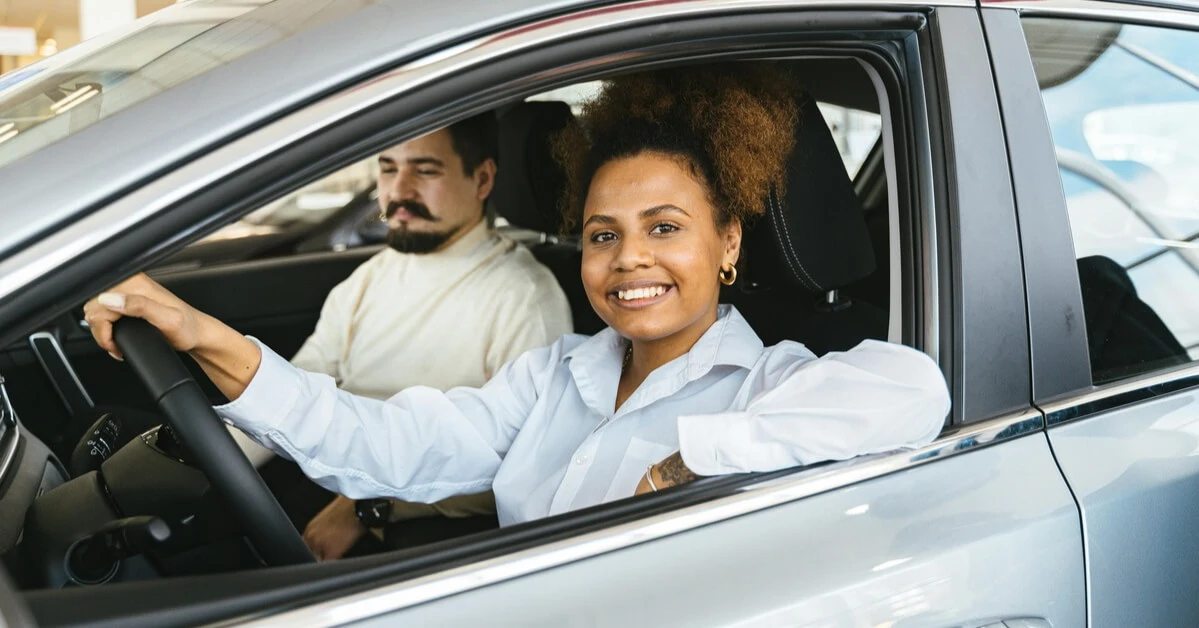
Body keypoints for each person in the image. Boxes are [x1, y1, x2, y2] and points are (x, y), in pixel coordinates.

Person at [83, 65, 950, 548]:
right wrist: (204, 337)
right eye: (604, 235)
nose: (629, 259)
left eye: (665, 228)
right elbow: (385, 445)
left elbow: (915, 392)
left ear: (727, 244)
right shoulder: (555, 376)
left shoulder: (772, 383)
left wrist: (689, 462)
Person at [242, 113, 573, 559]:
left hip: (412, 526)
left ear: (482, 179)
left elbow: (523, 465)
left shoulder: (525, 298)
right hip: (327, 473)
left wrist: (367, 508)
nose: (398, 191)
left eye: (425, 170)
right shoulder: (373, 275)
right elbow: (298, 386)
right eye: (388, 168)